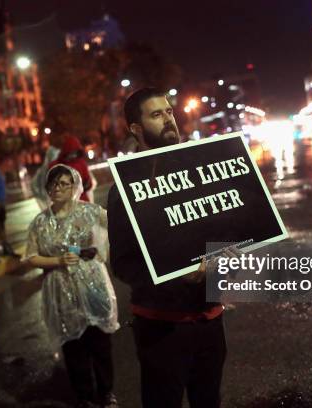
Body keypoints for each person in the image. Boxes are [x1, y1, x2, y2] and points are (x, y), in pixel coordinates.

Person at [107, 88, 226, 408]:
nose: (168, 120)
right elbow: (123, 263)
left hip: (210, 321)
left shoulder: (201, 170)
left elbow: (226, 230)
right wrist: (176, 276)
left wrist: (224, 258)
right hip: (161, 329)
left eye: (169, 112)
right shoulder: (127, 186)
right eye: (156, 115)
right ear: (136, 128)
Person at [23, 164, 119, 408]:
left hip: (93, 286)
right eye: (53, 184)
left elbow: (117, 224)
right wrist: (57, 260)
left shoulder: (89, 212)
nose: (57, 188)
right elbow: (31, 256)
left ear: (74, 186)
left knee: (99, 343)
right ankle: (85, 396)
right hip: (61, 290)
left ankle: (107, 392)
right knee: (74, 346)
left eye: (63, 183)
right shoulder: (40, 222)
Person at [48, 135, 95, 202]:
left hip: (80, 200)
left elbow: (88, 183)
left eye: (75, 153)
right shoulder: (56, 165)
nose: (73, 155)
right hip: (66, 202)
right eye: (71, 153)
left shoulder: (81, 163)